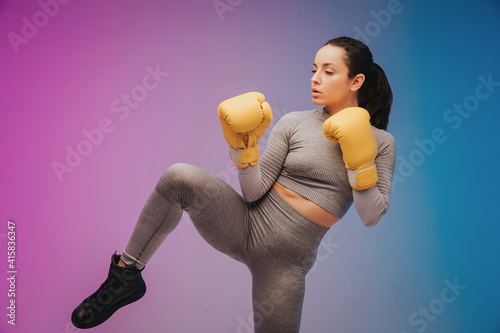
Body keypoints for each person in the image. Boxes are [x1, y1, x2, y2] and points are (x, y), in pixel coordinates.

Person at [71, 36, 396, 332]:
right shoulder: (294, 123)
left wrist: (361, 163)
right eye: (313, 69)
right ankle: (125, 275)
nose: (315, 78)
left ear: (356, 81)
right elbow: (253, 193)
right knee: (178, 177)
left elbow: (371, 216)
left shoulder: (380, 142)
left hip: (285, 265)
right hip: (244, 225)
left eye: (328, 71)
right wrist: (244, 150)